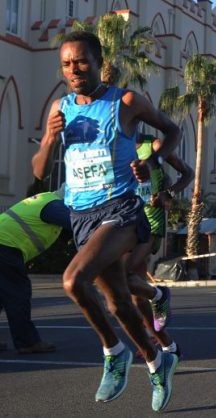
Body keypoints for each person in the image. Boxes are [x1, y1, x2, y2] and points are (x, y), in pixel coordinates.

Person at [31, 31, 180, 411]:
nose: (74, 70)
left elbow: (172, 130)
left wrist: (150, 161)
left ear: (98, 62)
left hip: (120, 210)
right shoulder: (60, 108)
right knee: (118, 305)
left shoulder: (125, 102)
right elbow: (39, 171)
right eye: (66, 64)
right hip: (82, 217)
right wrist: (49, 140)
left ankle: (114, 352)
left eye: (81, 61)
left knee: (73, 280)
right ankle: (157, 361)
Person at [126, 131, 194, 356]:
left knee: (126, 273)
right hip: (125, 220)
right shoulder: (115, 146)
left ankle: (158, 298)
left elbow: (188, 173)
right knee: (134, 286)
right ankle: (153, 334)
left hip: (151, 222)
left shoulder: (154, 146)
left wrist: (167, 193)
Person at [0, 189, 70, 354]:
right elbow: (77, 223)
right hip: (5, 247)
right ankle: (27, 342)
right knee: (18, 295)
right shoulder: (55, 206)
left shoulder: (46, 201)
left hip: (5, 245)